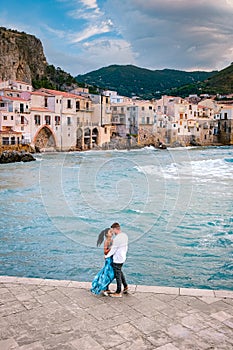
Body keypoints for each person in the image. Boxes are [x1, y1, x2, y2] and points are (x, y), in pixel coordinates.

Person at [105, 222, 128, 298]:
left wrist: (106, 256)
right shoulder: (124, 236)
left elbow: (113, 250)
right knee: (120, 272)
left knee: (117, 275)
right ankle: (125, 286)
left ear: (115, 229)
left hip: (117, 259)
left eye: (112, 230)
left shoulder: (117, 239)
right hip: (122, 257)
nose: (113, 232)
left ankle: (118, 292)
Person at [91, 228, 114, 295]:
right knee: (106, 273)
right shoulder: (106, 241)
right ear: (107, 234)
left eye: (112, 232)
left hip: (112, 259)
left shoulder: (112, 240)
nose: (112, 233)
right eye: (110, 232)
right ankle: (104, 289)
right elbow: (105, 252)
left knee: (111, 274)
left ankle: (106, 288)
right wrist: (111, 248)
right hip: (108, 259)